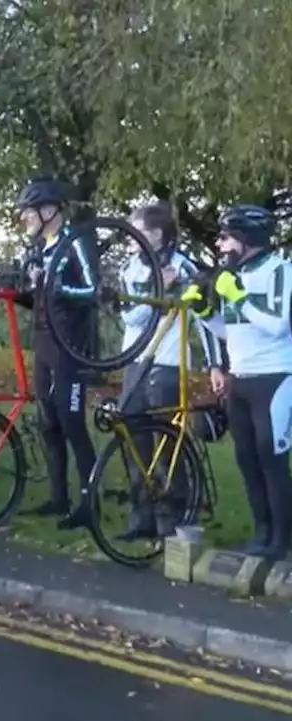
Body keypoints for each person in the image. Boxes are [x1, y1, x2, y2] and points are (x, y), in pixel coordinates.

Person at [184, 205, 292, 559]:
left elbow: (276, 324)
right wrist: (204, 313)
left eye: (226, 236)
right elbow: (232, 333)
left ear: (247, 238)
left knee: (270, 458)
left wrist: (238, 296)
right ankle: (261, 532)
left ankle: (282, 539)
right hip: (241, 378)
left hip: (275, 377)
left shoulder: (280, 270)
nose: (219, 244)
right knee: (246, 458)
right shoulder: (233, 276)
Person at [118, 204, 224, 539]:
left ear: (157, 234)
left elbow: (203, 317)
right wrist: (156, 288)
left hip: (168, 361)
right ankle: (141, 515)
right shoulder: (128, 267)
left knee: (165, 440)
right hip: (135, 360)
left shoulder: (183, 266)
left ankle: (172, 517)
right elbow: (130, 317)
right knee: (131, 434)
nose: (130, 240)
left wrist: (214, 364)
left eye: (138, 231)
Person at [8, 174, 100, 529]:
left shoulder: (74, 242)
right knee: (48, 423)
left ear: (49, 210)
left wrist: (55, 284)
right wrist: (15, 293)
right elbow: (39, 300)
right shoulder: (37, 249)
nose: (23, 218)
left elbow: (93, 291)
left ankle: (89, 505)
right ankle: (58, 497)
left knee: (73, 424)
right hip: (44, 343)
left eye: (28, 211)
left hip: (70, 346)